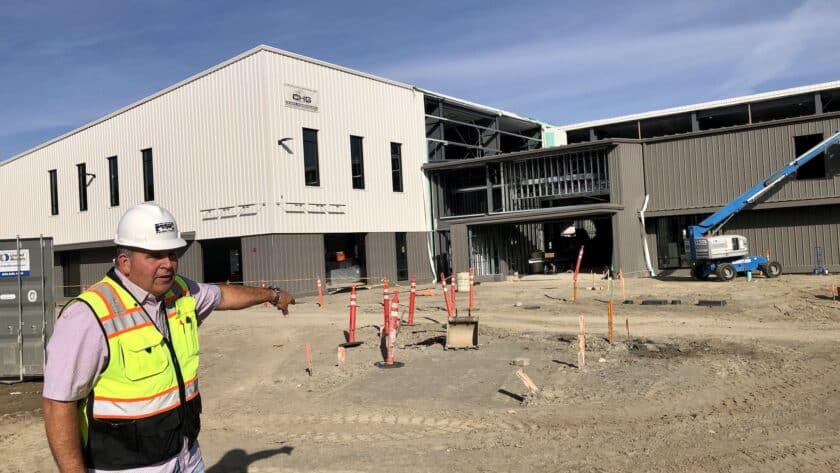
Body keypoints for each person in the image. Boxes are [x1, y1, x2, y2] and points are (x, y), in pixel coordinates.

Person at [42, 203, 295, 473]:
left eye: (172, 254)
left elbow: (224, 295)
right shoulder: (88, 316)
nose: (168, 265)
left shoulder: (180, 292)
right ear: (125, 262)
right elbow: (58, 404)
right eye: (155, 255)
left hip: (186, 458)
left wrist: (273, 295)